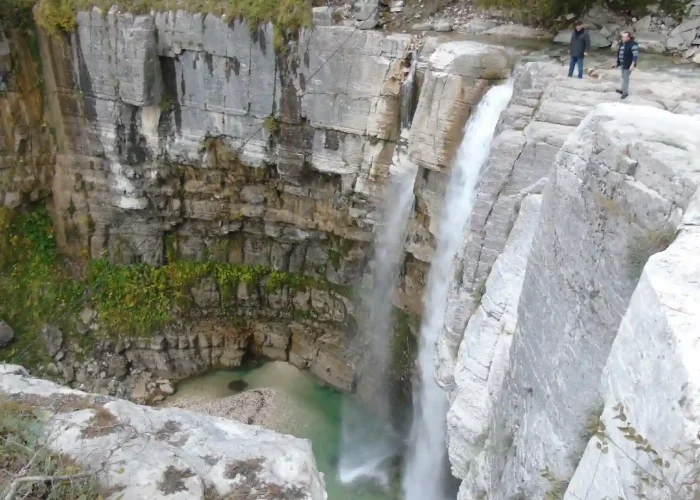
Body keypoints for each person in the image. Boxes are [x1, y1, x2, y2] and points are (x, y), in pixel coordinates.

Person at [616, 31, 639, 100]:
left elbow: (635, 55)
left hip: (628, 64)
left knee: (626, 78)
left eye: (624, 37)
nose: (622, 38)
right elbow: (619, 53)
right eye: (622, 37)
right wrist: (617, 63)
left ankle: (625, 93)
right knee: (623, 77)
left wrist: (632, 65)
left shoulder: (633, 44)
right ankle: (623, 90)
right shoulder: (623, 44)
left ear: (628, 38)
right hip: (623, 63)